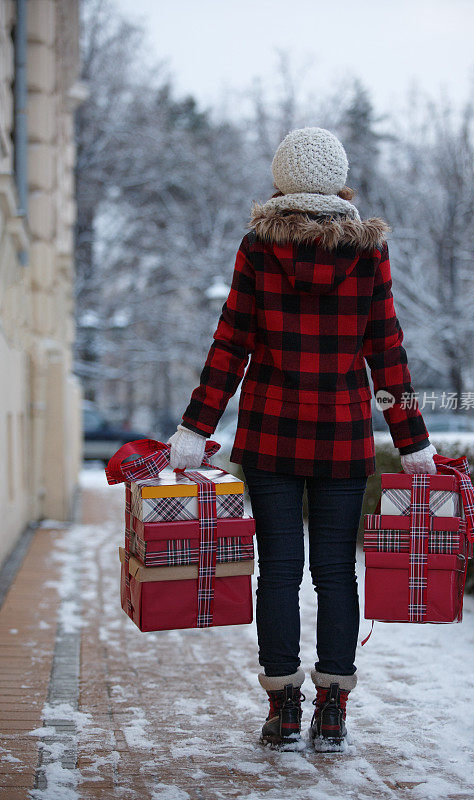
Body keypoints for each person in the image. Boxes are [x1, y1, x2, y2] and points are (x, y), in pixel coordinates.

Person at [167, 127, 437, 752]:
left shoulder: (259, 247)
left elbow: (230, 343)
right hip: (343, 438)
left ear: (281, 181)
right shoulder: (368, 253)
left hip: (270, 436)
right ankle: (334, 709)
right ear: (339, 180)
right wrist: (413, 439)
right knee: (337, 574)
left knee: (280, 573)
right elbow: (387, 352)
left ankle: (285, 707)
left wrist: (196, 427)